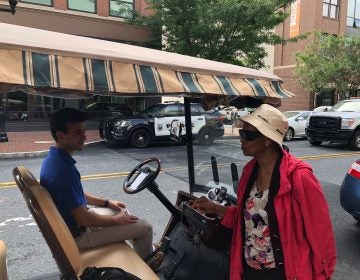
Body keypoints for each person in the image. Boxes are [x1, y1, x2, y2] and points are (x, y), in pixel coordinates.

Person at [192, 104, 336, 280]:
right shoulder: (249, 172)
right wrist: (215, 208)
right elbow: (250, 217)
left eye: (248, 135)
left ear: (268, 139)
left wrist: (324, 274)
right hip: (249, 269)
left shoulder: (299, 177)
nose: (242, 140)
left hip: (284, 273)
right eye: (241, 134)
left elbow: (320, 232)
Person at [40, 107, 163, 270]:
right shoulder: (63, 169)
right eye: (78, 132)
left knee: (121, 211)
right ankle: (148, 263)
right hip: (79, 236)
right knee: (145, 227)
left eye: (83, 131)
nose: (84, 137)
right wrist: (116, 221)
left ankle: (143, 251)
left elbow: (75, 194)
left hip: (73, 227)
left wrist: (106, 202)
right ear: (60, 136)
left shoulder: (55, 160)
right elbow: (83, 219)